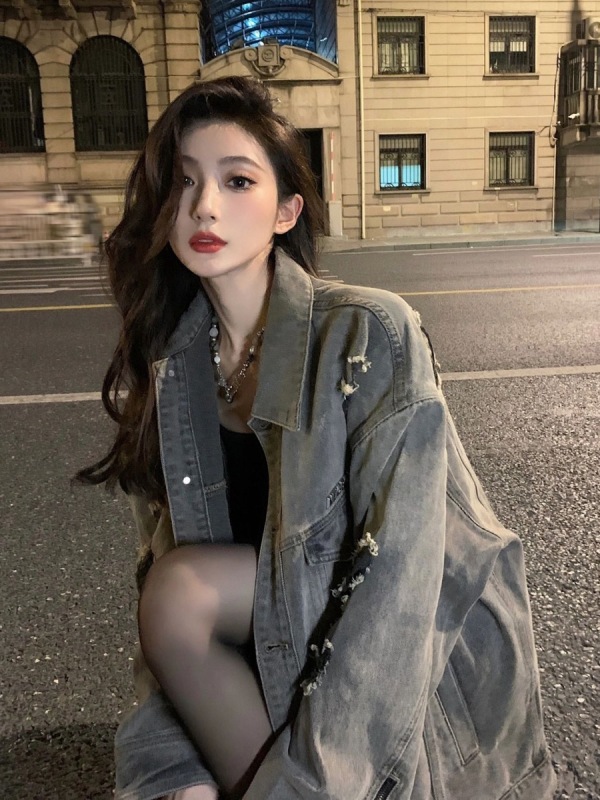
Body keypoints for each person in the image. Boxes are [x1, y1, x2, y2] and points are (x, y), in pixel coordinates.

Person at [78, 76, 557, 800]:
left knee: (184, 595)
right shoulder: (174, 369)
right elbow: (162, 612)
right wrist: (175, 775)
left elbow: (401, 589)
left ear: (286, 211)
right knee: (175, 594)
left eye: (238, 181)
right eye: (183, 181)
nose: (204, 205)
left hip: (400, 671)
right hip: (272, 654)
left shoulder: (368, 333)